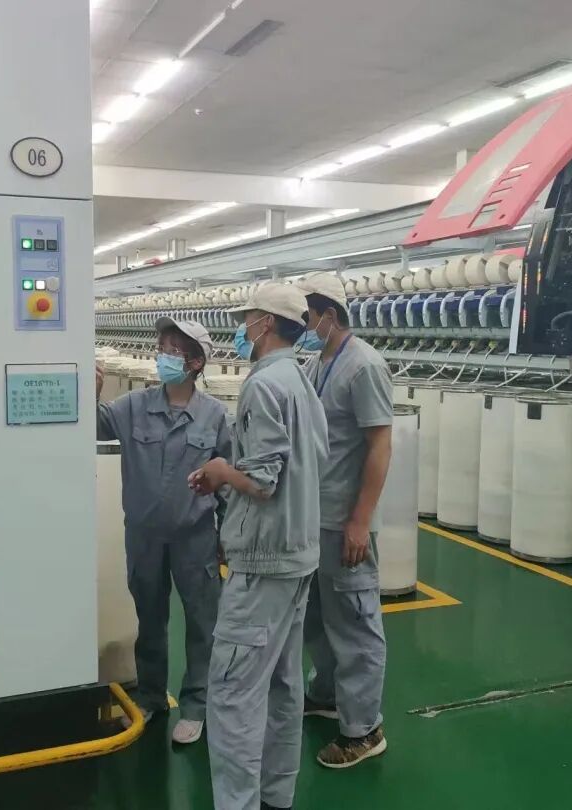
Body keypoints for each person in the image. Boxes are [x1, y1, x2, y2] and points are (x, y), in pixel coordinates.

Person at [188, 283, 328, 810]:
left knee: (232, 692)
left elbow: (263, 480)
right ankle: (275, 797)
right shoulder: (302, 380)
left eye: (246, 319)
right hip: (297, 554)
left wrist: (222, 471)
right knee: (282, 686)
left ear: (266, 323)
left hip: (265, 561)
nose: (241, 328)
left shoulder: (265, 384)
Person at [96, 319, 232, 745]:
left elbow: (227, 480)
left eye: (172, 350)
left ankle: (197, 705)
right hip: (144, 535)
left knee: (202, 622)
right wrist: (89, 394)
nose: (162, 357)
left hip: (195, 537)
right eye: (161, 348)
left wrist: (227, 536)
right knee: (150, 618)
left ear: (195, 362)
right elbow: (94, 426)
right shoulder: (133, 406)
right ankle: (152, 696)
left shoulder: (215, 416)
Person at [295, 272, 393, 769]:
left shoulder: (364, 366)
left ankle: (364, 730)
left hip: (344, 522)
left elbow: (380, 445)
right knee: (318, 618)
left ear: (329, 316)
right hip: (316, 519)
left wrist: (360, 520)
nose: (303, 327)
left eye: (307, 318)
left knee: (355, 623)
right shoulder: (316, 363)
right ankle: (328, 694)